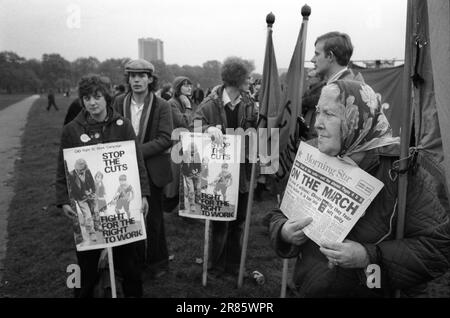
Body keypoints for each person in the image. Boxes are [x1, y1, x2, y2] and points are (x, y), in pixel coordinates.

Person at [269, 80, 450, 297]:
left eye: (329, 114)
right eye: (318, 112)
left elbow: (437, 248)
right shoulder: (311, 155)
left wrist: (368, 256)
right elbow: (279, 213)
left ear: (356, 120)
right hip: (310, 288)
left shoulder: (401, 170)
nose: (317, 123)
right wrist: (283, 231)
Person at [56, 74, 150, 298]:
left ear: (107, 97)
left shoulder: (123, 125)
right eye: (87, 98)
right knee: (86, 267)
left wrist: (144, 194)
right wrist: (62, 200)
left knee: (130, 265)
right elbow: (62, 168)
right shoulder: (71, 130)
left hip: (119, 211)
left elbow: (137, 162)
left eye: (97, 97)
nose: (92, 102)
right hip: (88, 206)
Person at [192, 56, 257, 276]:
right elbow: (194, 125)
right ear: (236, 79)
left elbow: (258, 129)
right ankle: (214, 264)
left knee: (238, 221)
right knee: (219, 221)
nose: (251, 79)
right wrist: (207, 129)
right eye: (247, 76)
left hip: (242, 171)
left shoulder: (249, 103)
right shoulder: (210, 103)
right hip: (217, 172)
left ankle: (233, 265)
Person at [112, 59, 173, 279]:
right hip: (124, 171)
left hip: (152, 170)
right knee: (127, 216)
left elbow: (166, 139)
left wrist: (134, 152)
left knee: (154, 219)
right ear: (128, 79)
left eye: (141, 75)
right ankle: (130, 263)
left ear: (150, 79)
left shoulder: (162, 105)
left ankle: (157, 263)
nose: (137, 80)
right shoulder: (119, 102)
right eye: (132, 76)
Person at [164, 76, 195, 212]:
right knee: (176, 176)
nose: (189, 88)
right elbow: (183, 122)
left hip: (186, 141)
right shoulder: (172, 103)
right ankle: (169, 206)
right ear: (178, 88)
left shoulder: (183, 101)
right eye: (185, 85)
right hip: (176, 143)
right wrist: (188, 108)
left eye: (190, 85)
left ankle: (183, 206)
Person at [67, 158, 98, 241]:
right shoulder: (71, 175)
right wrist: (83, 195)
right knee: (87, 215)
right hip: (81, 199)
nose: (83, 172)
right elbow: (73, 190)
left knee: (95, 211)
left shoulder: (87, 170)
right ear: (76, 168)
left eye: (84, 169)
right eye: (81, 170)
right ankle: (92, 233)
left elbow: (92, 182)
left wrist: (92, 192)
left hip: (91, 195)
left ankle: (97, 226)